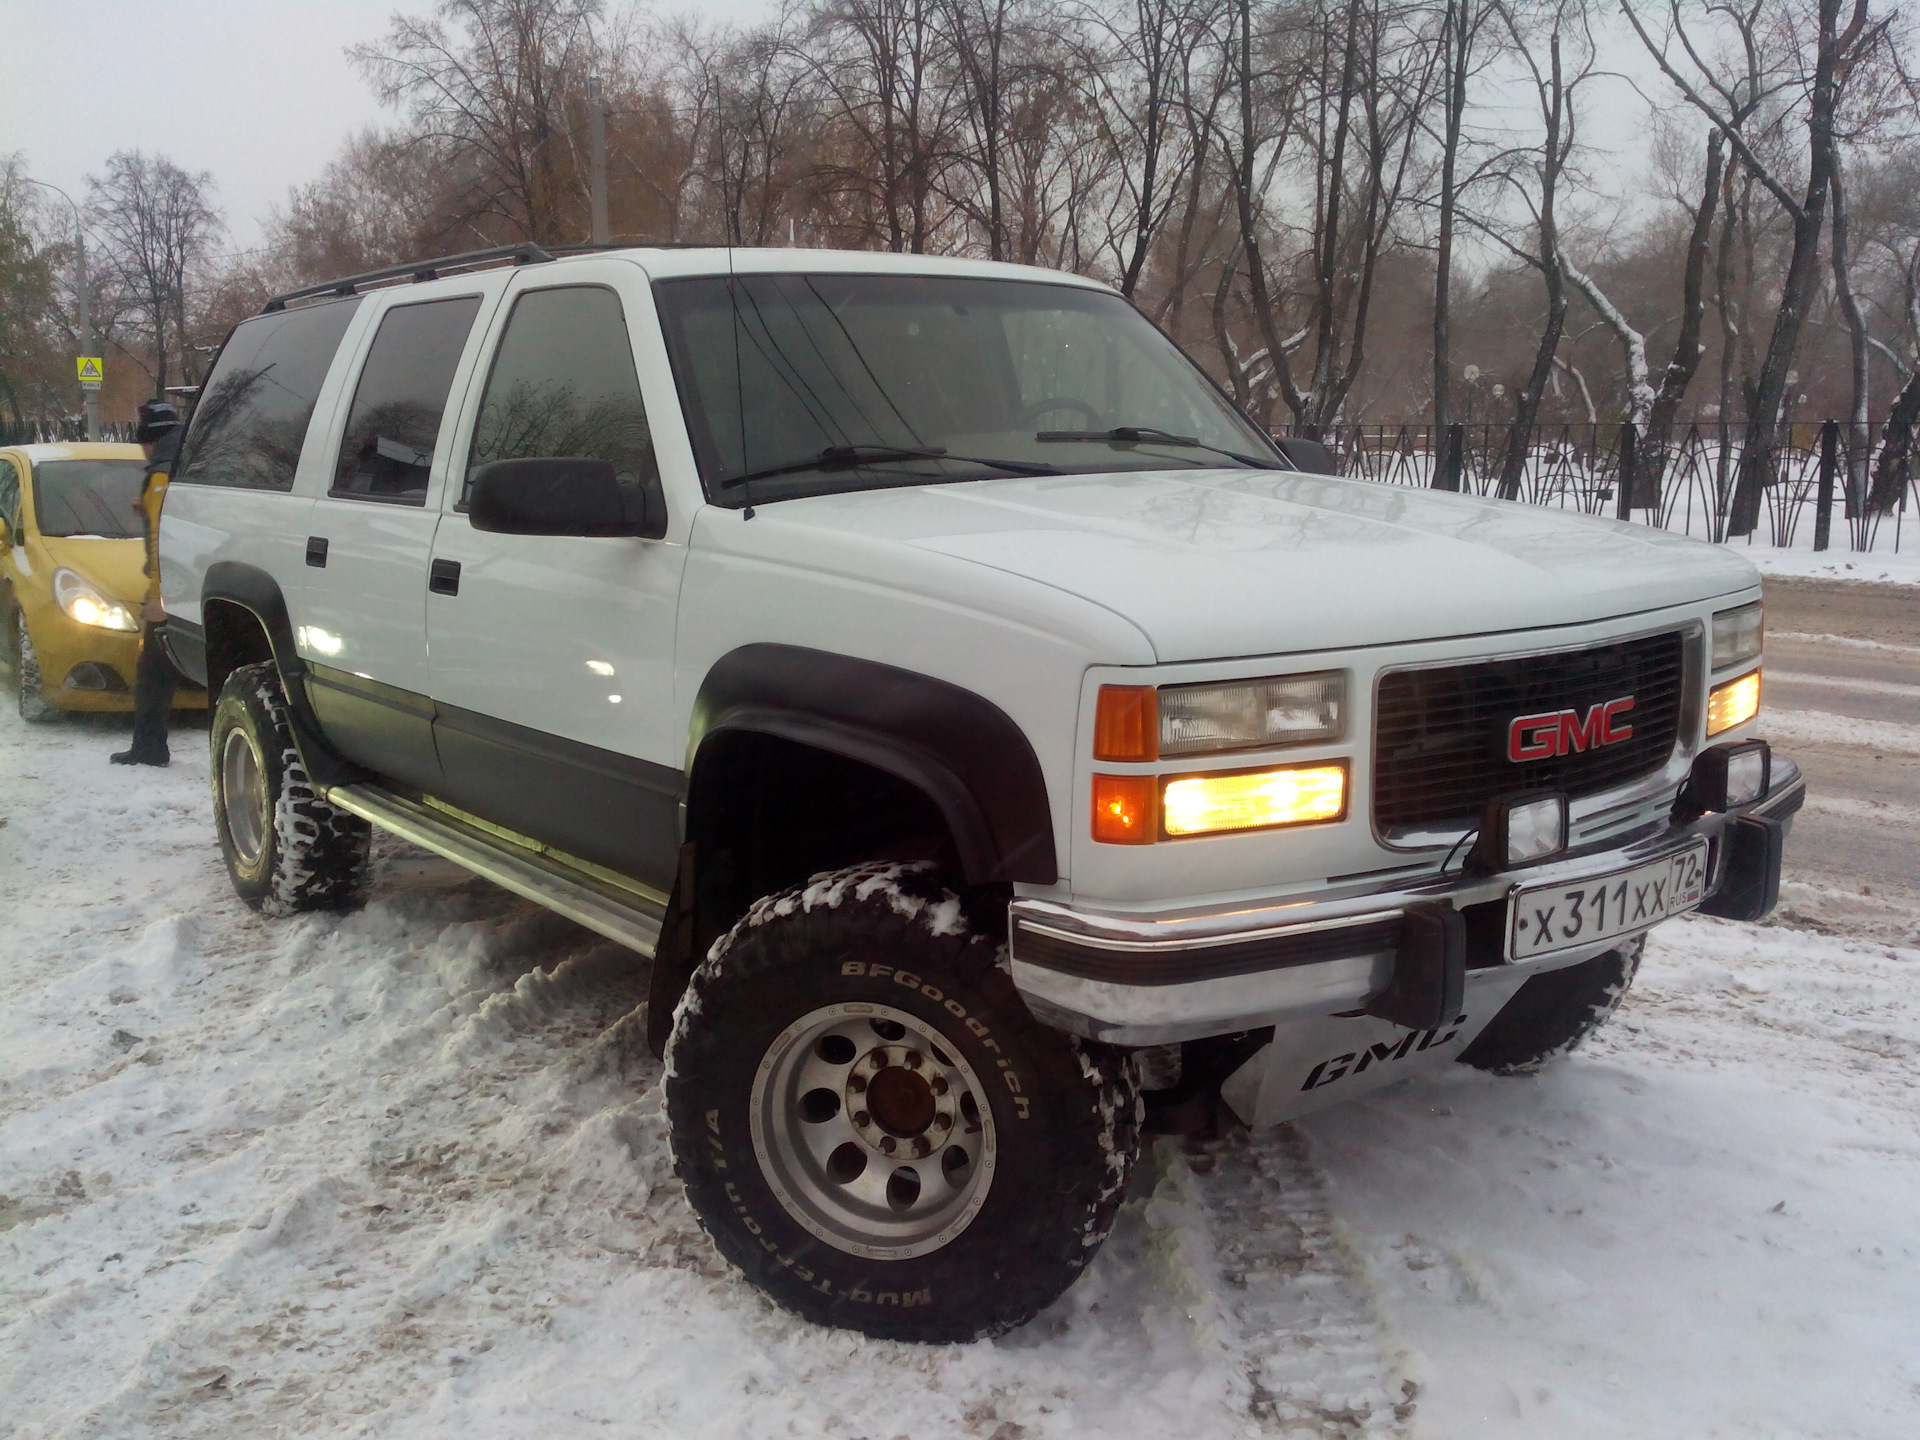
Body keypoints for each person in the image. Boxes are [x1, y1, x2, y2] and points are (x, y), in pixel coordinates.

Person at [112, 401, 182, 766]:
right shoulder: (184, 463)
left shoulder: (160, 476)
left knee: (152, 674)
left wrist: (156, 597)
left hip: (167, 592)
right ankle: (149, 745)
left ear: (152, 440)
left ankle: (150, 747)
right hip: (185, 585)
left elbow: (160, 539)